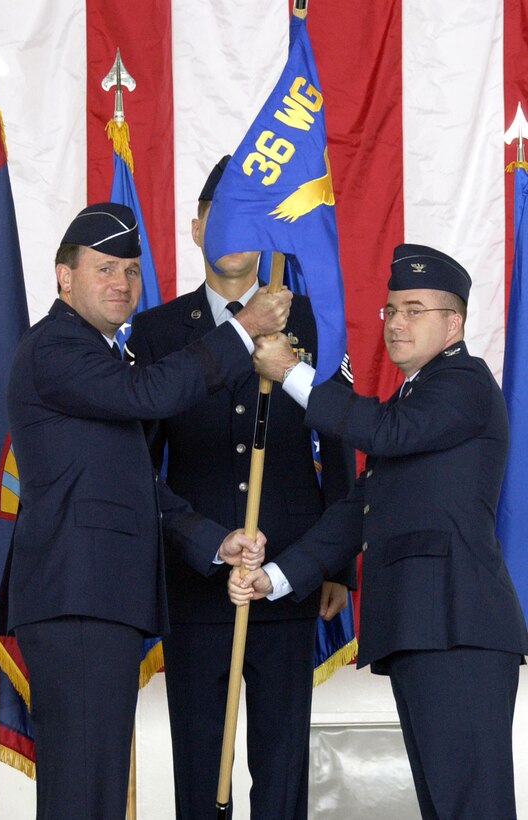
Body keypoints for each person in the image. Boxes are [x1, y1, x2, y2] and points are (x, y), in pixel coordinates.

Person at [0, 202, 292, 820]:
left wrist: (214, 541)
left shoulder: (103, 354)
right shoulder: (55, 347)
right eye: (104, 269)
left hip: (97, 598)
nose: (122, 283)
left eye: (130, 270)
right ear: (63, 277)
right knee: (82, 790)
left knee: (95, 785)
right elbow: (151, 393)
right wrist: (242, 329)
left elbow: (135, 487)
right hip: (78, 596)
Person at [230, 243, 528, 820]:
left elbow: (383, 432)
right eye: (392, 310)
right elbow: (355, 513)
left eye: (415, 309)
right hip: (426, 629)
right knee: (448, 804)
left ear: (454, 323)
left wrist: (291, 371)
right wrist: (275, 577)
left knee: (471, 805)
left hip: (456, 627)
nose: (396, 322)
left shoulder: (463, 381)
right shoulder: (414, 401)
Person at [126, 157, 356, 820]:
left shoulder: (313, 322)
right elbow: (141, 464)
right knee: (202, 768)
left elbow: (337, 442)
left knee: (283, 769)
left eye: (247, 220)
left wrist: (338, 564)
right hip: (196, 577)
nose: (232, 233)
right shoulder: (156, 331)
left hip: (290, 566)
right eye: (218, 219)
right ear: (196, 229)